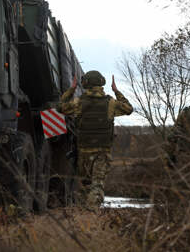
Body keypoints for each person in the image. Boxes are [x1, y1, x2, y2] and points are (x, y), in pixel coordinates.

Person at [57, 70, 133, 208]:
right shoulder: (110, 102)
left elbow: (60, 107)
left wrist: (72, 89)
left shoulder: (79, 102)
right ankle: (92, 214)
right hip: (102, 151)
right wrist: (116, 91)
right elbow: (129, 109)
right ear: (101, 83)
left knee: (86, 184)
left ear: (86, 84)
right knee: (97, 184)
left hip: (84, 151)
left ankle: (85, 216)